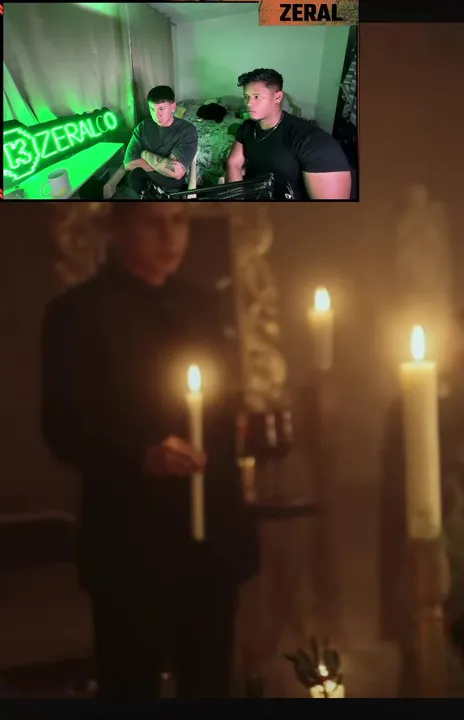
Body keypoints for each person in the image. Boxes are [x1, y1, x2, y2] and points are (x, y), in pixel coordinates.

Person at [40, 204, 259, 699]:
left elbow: (223, 412)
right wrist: (142, 455)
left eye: (179, 221)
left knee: (210, 684)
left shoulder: (205, 307)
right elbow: (63, 427)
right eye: (153, 222)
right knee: (130, 684)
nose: (170, 236)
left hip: (210, 543)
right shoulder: (77, 313)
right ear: (118, 226)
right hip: (130, 545)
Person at [224, 68, 351, 200]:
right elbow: (233, 163)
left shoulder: (312, 141)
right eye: (246, 97)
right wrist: (236, 198)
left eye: (256, 96)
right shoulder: (247, 128)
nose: (249, 103)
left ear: (278, 97)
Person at [103, 86, 198, 199]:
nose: (156, 115)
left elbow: (177, 172)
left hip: (167, 193)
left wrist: (144, 154)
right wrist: (165, 165)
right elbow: (129, 163)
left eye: (161, 108)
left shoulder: (187, 131)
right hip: (135, 188)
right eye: (152, 109)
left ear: (173, 107)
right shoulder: (142, 127)